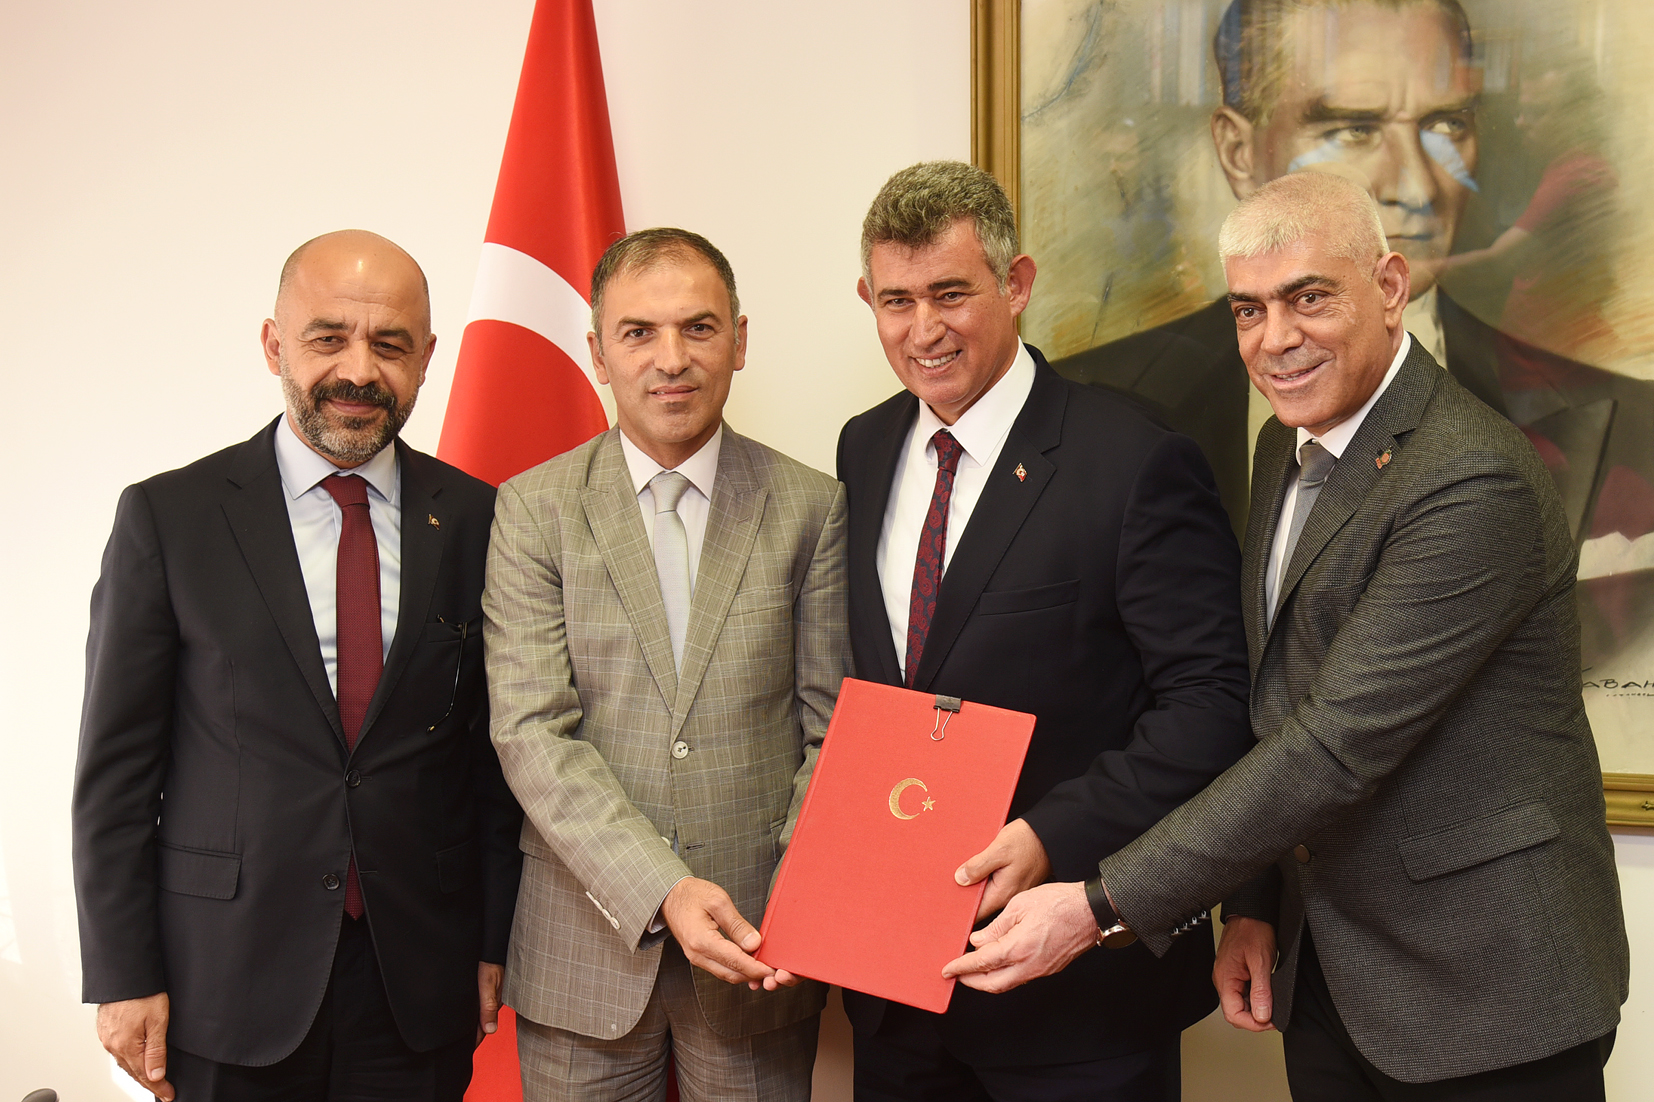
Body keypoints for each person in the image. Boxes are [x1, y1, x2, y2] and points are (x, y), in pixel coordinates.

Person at [949, 172, 1629, 1100]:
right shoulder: (1287, 444)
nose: (1275, 339)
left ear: (1389, 287)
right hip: (1333, 979)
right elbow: (1276, 696)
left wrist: (1100, 904)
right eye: (1248, 309)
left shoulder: (1472, 479)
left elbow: (1331, 748)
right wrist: (1255, 903)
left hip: (1490, 990)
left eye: (1309, 298)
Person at [836, 160, 1253, 1101]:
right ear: (869, 300)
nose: (924, 329)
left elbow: (1213, 704)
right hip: (897, 995)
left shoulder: (1137, 457)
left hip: (1078, 1003)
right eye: (897, 301)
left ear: (1016, 284)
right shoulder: (863, 446)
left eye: (951, 294)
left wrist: (1054, 835)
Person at [74, 230, 524, 1101]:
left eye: (389, 344)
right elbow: (116, 774)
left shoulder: (480, 520)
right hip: (223, 978)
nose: (359, 370)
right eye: (328, 338)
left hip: (416, 983)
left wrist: (492, 940)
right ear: (274, 343)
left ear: (427, 358)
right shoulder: (170, 518)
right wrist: (123, 973)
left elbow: (493, 764)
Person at [484, 227, 848, 1102]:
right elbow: (532, 733)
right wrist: (664, 889)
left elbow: (833, 731)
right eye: (639, 332)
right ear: (598, 354)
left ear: (740, 340)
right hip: (583, 951)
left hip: (760, 947)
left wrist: (797, 905)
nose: (672, 358)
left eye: (699, 327)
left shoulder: (813, 506)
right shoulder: (533, 510)